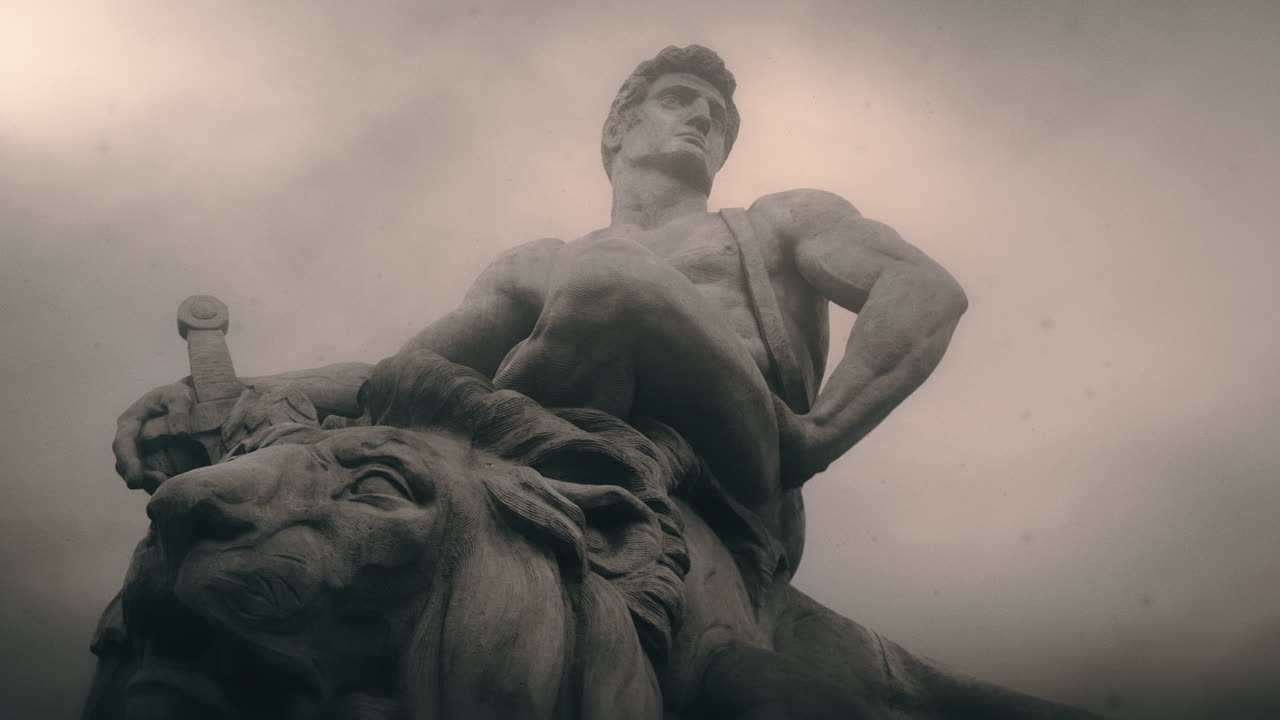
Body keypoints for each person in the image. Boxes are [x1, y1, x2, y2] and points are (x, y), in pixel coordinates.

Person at [114, 44, 966, 575]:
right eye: (680, 101)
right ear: (618, 127)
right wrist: (253, 388)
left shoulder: (778, 222)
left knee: (606, 277)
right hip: (555, 444)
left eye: (720, 117)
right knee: (469, 361)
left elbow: (922, 291)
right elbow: (401, 377)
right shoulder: (536, 269)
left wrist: (813, 441)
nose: (705, 118)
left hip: (736, 464)